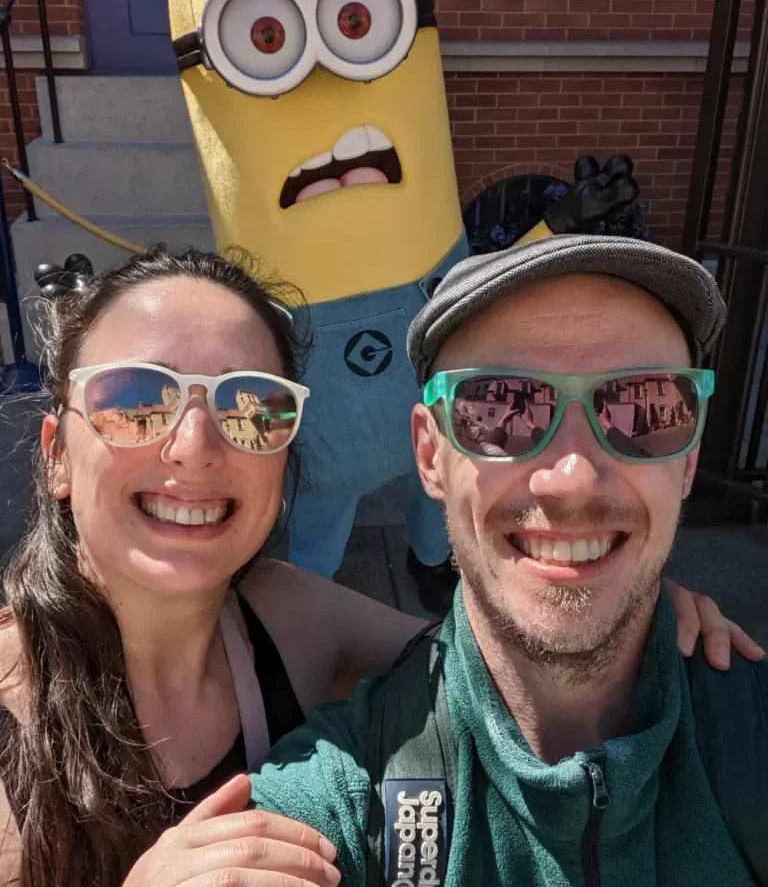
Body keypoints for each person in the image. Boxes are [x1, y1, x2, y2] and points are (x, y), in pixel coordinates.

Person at [0, 245, 757, 887]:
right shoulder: (334, 788)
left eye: (251, 408)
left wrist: (639, 600)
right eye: (499, 408)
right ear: (57, 451)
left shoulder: (286, 612)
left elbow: (485, 644)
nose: (195, 446)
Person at [235, 234, 767, 886]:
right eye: (501, 409)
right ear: (430, 456)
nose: (571, 478)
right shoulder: (341, 796)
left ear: (686, 459)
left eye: (643, 408)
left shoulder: (750, 737)